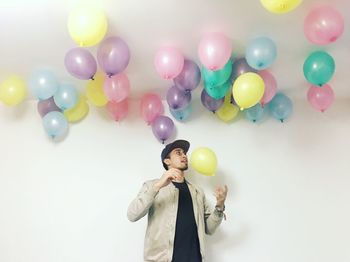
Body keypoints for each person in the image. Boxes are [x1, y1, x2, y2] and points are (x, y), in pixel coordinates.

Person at [127, 139, 228, 262]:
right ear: (167, 160)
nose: (184, 155)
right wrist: (158, 186)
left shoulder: (197, 191)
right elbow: (132, 215)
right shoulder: (151, 186)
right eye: (178, 152)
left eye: (185, 153)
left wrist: (219, 206)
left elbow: (209, 229)